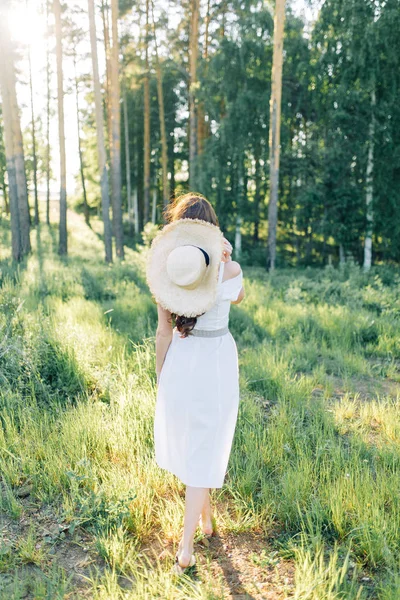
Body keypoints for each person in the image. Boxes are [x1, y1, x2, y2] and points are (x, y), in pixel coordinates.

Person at [145, 192, 245, 575]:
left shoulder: (168, 275)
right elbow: (239, 298)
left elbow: (163, 332)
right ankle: (186, 549)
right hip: (216, 359)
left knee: (195, 442)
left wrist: (161, 375)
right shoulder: (230, 270)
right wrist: (225, 260)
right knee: (205, 442)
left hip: (182, 361)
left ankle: (205, 523)